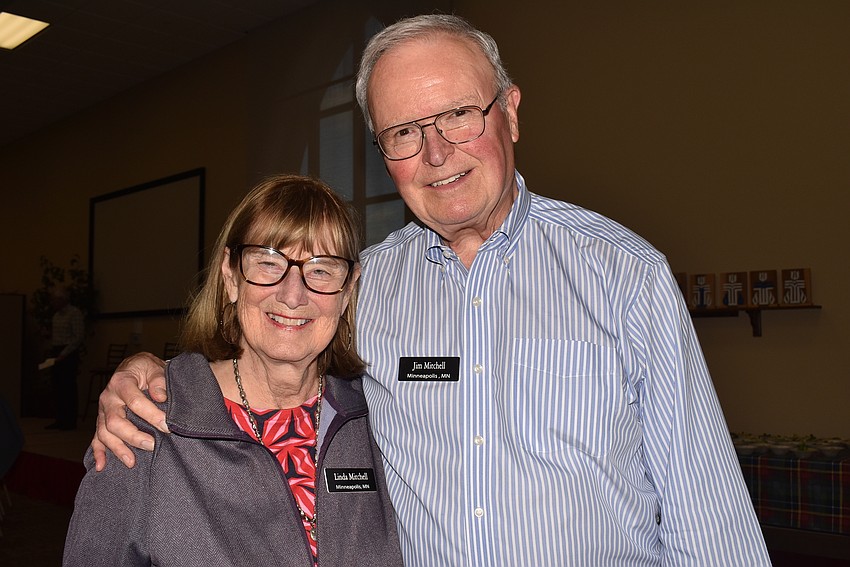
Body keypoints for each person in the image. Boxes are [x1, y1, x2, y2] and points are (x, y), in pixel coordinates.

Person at [91, 14, 771, 567]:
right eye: (404, 132)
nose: (436, 152)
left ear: (509, 112)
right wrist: (147, 373)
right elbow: (274, 344)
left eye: (457, 116)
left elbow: (709, 520)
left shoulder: (623, 274)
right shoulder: (366, 287)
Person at [64, 175, 403, 566]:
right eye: (268, 262)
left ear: (348, 291)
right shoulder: (149, 424)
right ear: (231, 277)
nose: (293, 295)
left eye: (321, 270)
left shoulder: (379, 418)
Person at [46, 287, 85, 430]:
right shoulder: (56, 316)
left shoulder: (74, 313)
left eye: (55, 300)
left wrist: (65, 353)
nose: (52, 303)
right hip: (57, 351)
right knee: (57, 387)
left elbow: (78, 337)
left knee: (68, 387)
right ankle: (59, 419)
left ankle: (70, 421)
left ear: (62, 300)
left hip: (69, 353)